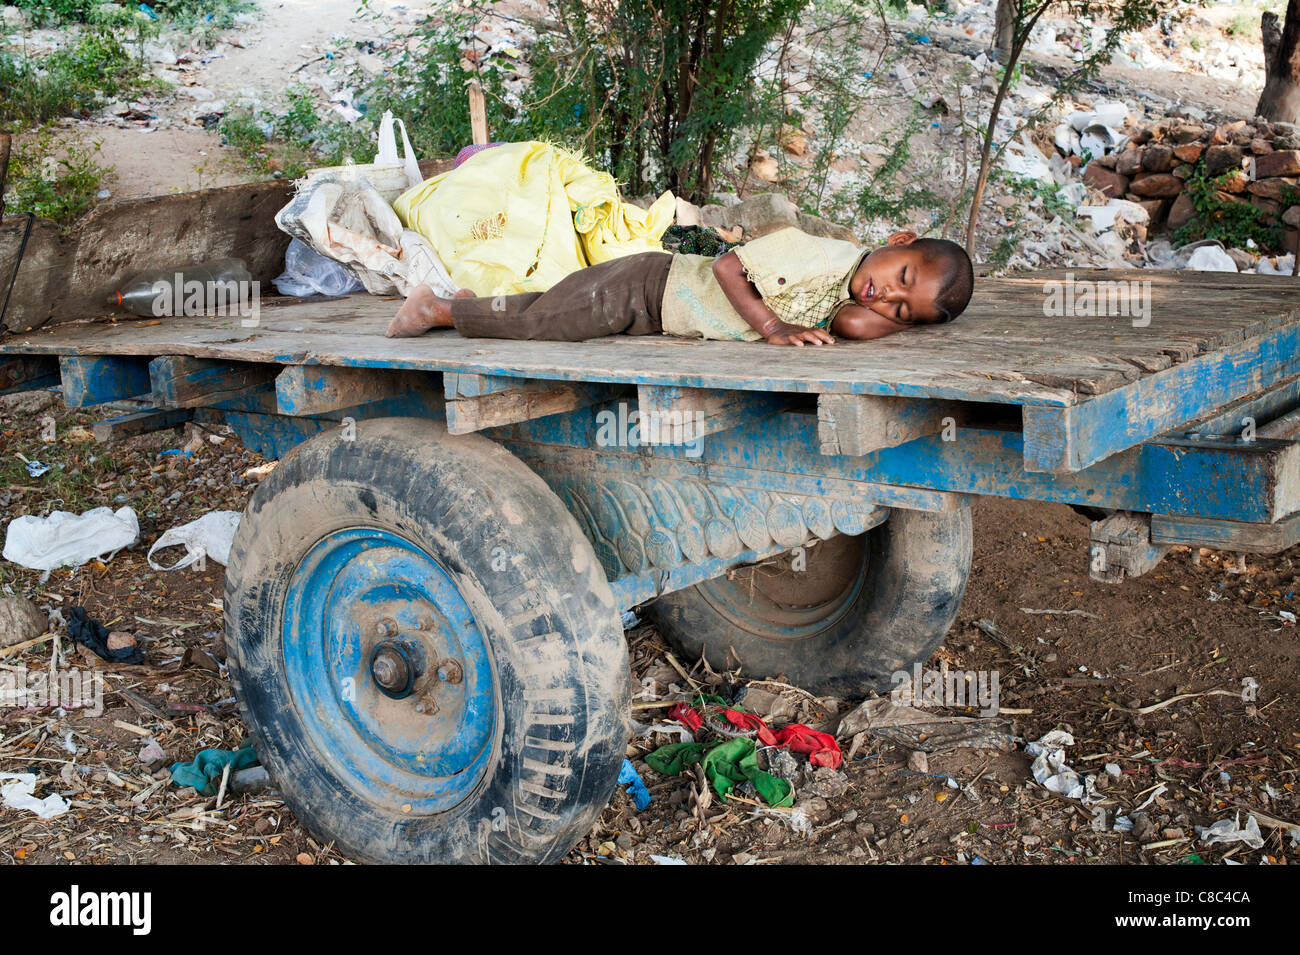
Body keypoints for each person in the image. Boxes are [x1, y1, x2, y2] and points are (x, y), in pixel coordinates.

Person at [385, 226, 974, 346]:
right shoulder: (821, 254)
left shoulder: (851, 296)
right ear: (900, 239)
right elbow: (725, 266)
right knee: (547, 322)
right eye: (900, 278)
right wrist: (770, 326)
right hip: (646, 286)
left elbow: (851, 325)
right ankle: (437, 310)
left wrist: (891, 320)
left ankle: (463, 303)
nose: (884, 297)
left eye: (902, 310)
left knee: (548, 308)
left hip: (659, 311)